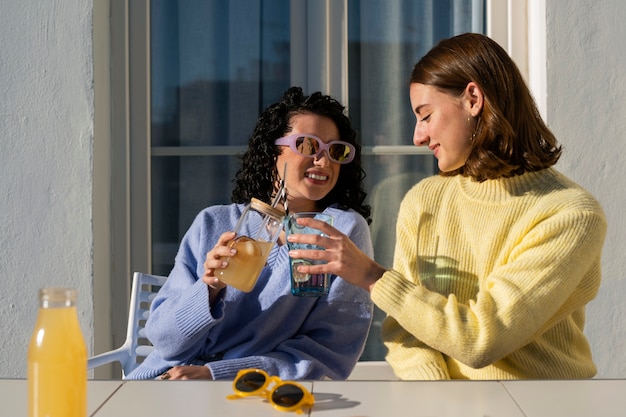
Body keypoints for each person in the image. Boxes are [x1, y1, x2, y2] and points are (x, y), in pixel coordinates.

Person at [286, 33, 607, 380]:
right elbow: (406, 333)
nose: (417, 136)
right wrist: (439, 400)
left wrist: (373, 277)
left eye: (425, 115)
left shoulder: (569, 214)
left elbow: (484, 338)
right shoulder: (424, 201)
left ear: (472, 99)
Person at [125, 86, 374, 381]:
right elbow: (163, 340)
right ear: (272, 151)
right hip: (160, 384)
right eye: (307, 145)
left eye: (335, 150)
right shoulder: (212, 223)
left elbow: (328, 353)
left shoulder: (341, 232)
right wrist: (208, 288)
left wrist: (217, 373)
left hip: (252, 393)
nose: (323, 161)